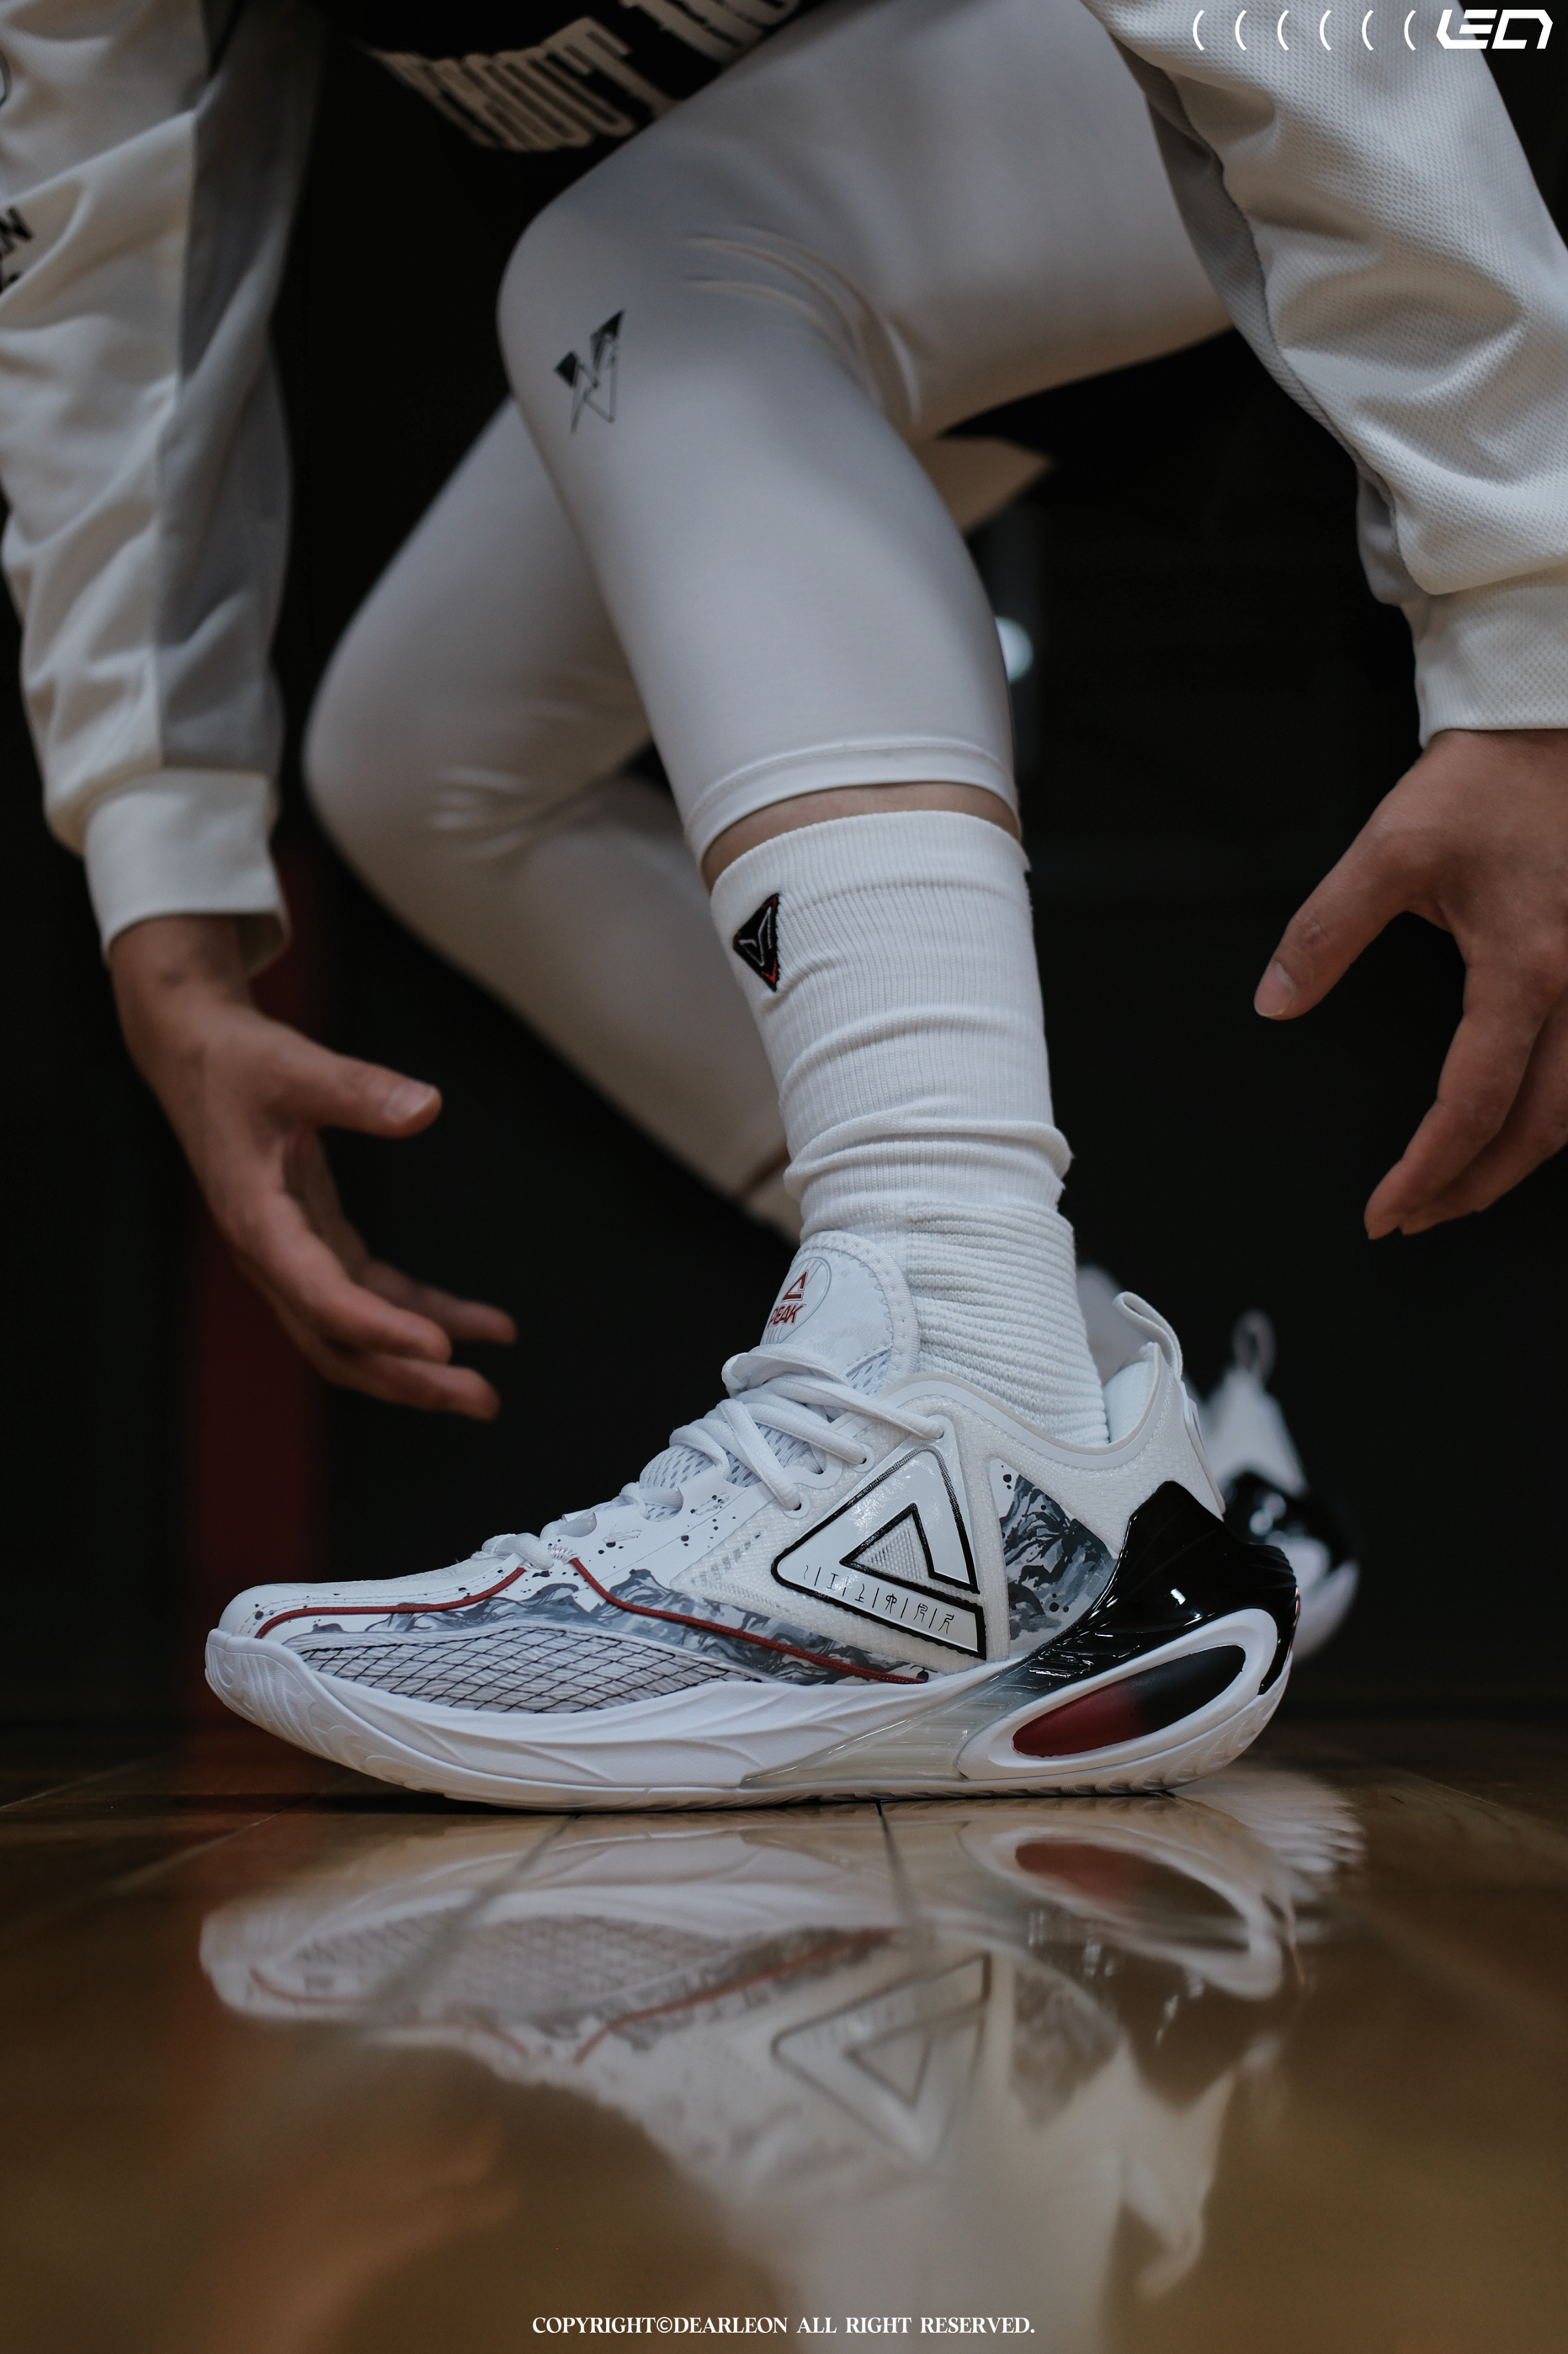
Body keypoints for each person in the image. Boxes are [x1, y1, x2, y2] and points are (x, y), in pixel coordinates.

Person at [6, 0, 1567, 1797]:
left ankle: (958, 1412)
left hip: (1394, 92)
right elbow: (105, 268)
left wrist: (1527, 625)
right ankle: (1088, 1426)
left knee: (636, 265)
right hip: (920, 158)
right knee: (423, 757)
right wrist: (165, 899)